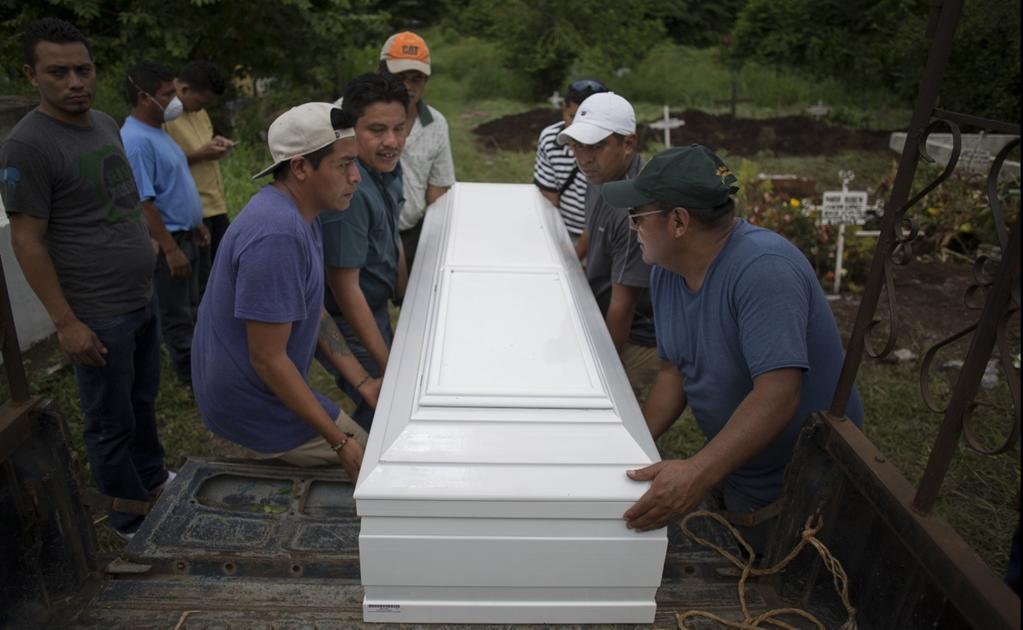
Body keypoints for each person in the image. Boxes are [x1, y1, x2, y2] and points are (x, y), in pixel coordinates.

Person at [602, 145, 865, 550]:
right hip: (741, 474)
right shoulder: (667, 271)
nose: (632, 227)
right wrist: (628, 447)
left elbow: (778, 393)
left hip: (806, 491)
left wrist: (697, 472)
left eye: (637, 216)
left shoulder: (763, 270)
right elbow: (674, 372)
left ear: (678, 222)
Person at [0, 18, 173, 539]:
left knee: (142, 401)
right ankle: (126, 518)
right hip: (97, 313)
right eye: (58, 72)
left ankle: (152, 482)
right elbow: (26, 240)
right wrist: (66, 322)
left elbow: (118, 195)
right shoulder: (27, 146)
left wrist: (146, 241)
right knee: (108, 419)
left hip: (139, 297)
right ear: (32, 74)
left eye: (83, 69)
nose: (75, 81)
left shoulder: (102, 122)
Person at [192, 102, 378, 481]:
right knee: (376, 464)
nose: (356, 177)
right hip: (255, 405)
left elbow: (311, 309)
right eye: (343, 164)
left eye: (354, 162)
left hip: (263, 391)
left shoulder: (302, 215)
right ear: (300, 167)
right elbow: (268, 359)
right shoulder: (277, 234)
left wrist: (363, 382)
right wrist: (340, 441)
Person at [319, 73, 408, 431]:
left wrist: (405, 293)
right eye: (377, 130)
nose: (391, 141)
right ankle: (356, 461)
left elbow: (393, 232)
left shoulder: (387, 165)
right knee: (385, 400)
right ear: (351, 130)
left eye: (399, 128)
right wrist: (387, 363)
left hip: (376, 304)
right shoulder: (350, 192)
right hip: (346, 317)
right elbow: (345, 288)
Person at [557, 92, 659, 398]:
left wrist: (599, 372)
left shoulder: (634, 211)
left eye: (596, 146)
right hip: (603, 308)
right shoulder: (600, 176)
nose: (584, 158)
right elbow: (591, 229)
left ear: (628, 144)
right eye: (577, 147)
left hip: (636, 337)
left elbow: (622, 307)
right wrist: (570, 265)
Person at [121, 61, 207, 385]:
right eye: (167, 94)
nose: (175, 101)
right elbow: (143, 201)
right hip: (171, 243)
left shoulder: (157, 133)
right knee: (177, 315)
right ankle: (191, 377)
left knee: (194, 308)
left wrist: (195, 222)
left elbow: (171, 185)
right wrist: (170, 249)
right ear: (144, 97)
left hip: (187, 236)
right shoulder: (135, 141)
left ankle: (203, 369)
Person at [377, 31, 455, 273]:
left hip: (412, 233)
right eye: (400, 77)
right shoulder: (351, 112)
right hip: (362, 233)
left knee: (413, 301)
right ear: (382, 74)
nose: (408, 87)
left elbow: (438, 191)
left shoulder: (436, 123)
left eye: (416, 79)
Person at [163, 60, 233, 295]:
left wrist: (216, 145)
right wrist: (199, 154)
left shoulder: (200, 112)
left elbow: (203, 144)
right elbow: (163, 164)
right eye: (201, 101)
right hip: (192, 211)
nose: (203, 107)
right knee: (199, 286)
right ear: (183, 90)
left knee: (224, 276)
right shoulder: (164, 115)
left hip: (216, 204)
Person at [533, 78, 609, 254]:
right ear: (564, 110)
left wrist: (575, 259)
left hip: (600, 238)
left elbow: (599, 216)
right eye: (573, 116)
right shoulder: (550, 139)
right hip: (564, 233)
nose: (577, 126)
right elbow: (548, 197)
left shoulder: (609, 149)